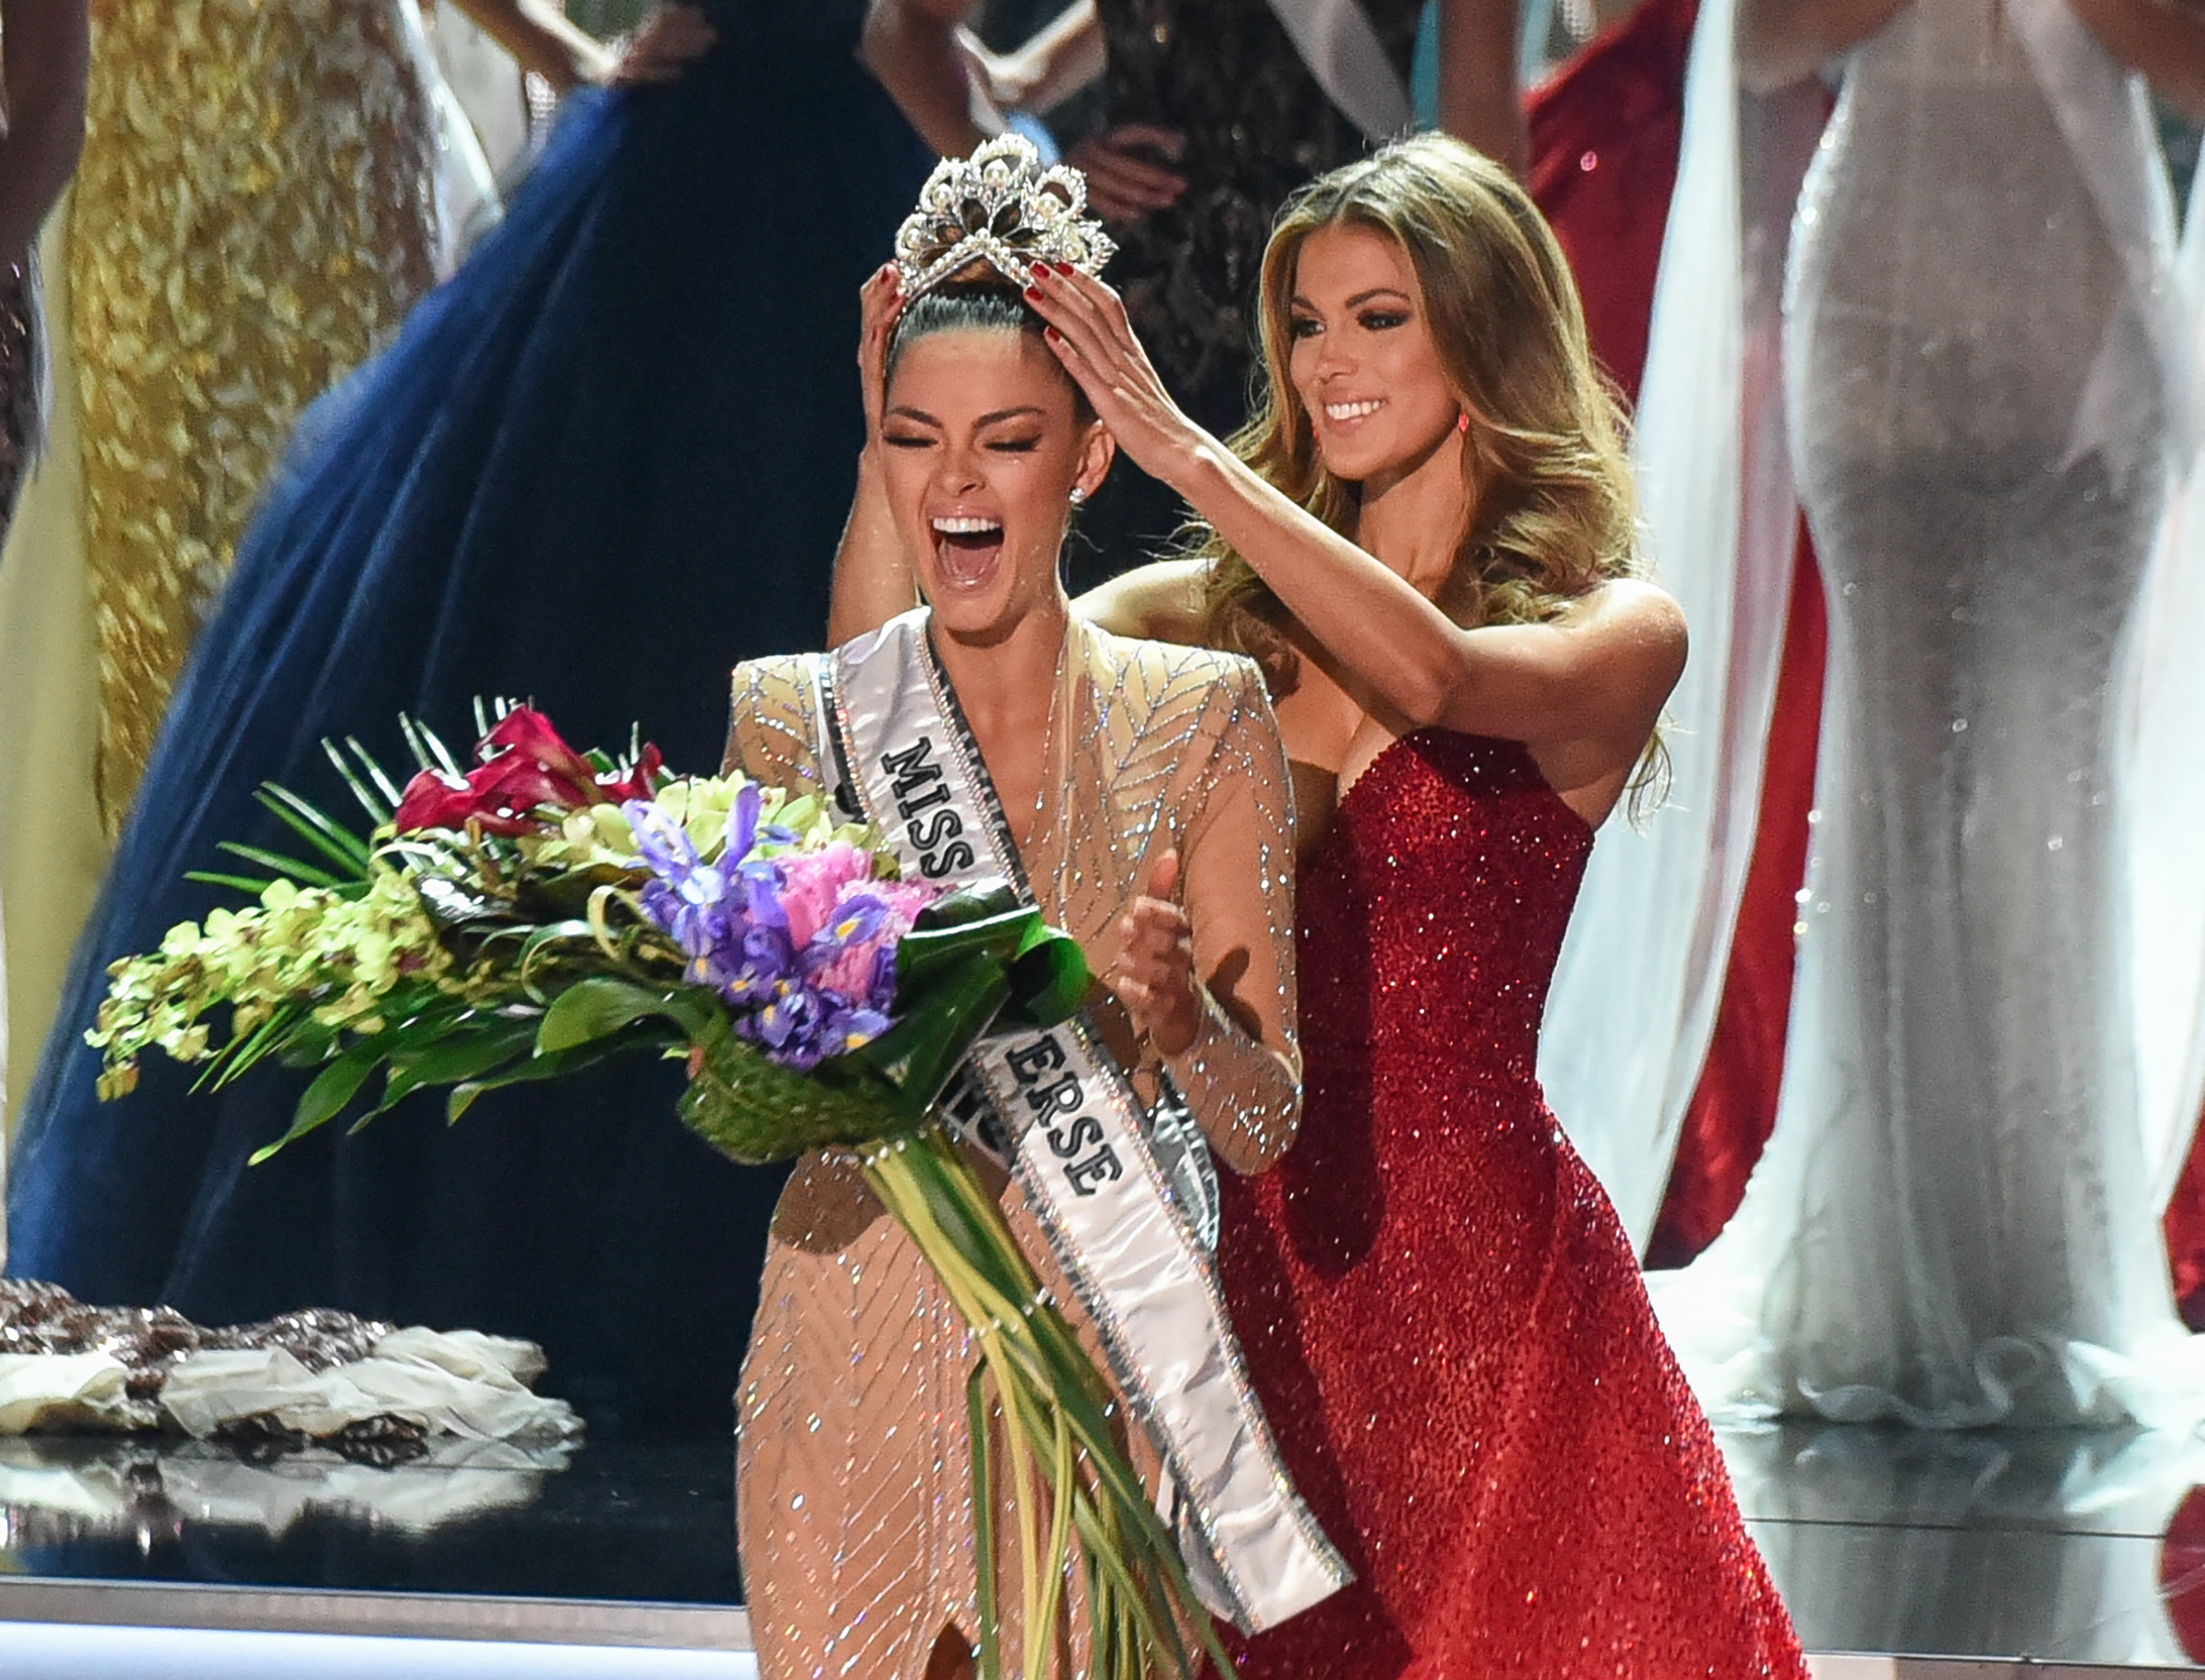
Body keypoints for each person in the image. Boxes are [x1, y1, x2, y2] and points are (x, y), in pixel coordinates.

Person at [835, 131, 1806, 1676]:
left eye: (1378, 316)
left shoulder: (1616, 631)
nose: (1328, 360)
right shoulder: (1211, 628)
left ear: (1486, 331)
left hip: (1498, 1316)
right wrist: (905, 435)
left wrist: (1179, 451)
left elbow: (1438, 677)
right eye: (1303, 321)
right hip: (1243, 1293)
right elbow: (910, 705)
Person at [3, 0, 982, 1433]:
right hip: (790, 207)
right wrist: (1010, 190)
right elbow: (919, 29)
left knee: (577, 649)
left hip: (655, 205)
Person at [732, 137, 1328, 1679]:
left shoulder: (1202, 719)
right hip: (846, 1338)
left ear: (1084, 457)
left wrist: (1184, 1022)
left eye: (1004, 439)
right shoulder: (797, 726)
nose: (955, 481)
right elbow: (725, 1092)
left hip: (1098, 1350)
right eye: (915, 437)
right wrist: (787, 1035)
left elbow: (1264, 1123)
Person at [1645, 0, 2205, 1429]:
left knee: (2050, 810)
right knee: (1894, 802)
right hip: (1886, 315)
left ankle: (2050, 1280)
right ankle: (1884, 1277)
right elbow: (1760, 41)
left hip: (2089, 325)